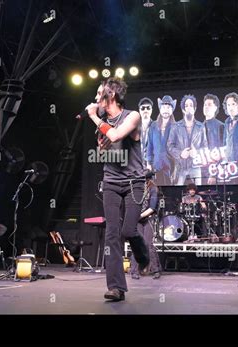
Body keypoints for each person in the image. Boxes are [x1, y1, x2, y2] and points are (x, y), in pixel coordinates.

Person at [86, 77, 150, 301]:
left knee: (128, 231)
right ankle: (116, 288)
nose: (95, 99)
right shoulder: (101, 121)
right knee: (112, 234)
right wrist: (101, 145)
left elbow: (115, 135)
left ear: (110, 95)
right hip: (111, 181)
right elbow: (103, 149)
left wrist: (93, 116)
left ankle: (144, 258)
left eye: (98, 94)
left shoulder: (132, 116)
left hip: (134, 182)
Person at [168, 94, 207, 185]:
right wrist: (180, 153)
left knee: (198, 191)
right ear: (183, 109)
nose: (189, 107)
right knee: (178, 192)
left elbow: (205, 147)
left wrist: (197, 153)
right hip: (180, 166)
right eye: (186, 105)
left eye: (191, 105)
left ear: (195, 108)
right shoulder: (175, 126)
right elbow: (169, 146)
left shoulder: (201, 127)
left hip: (196, 166)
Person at [130, 179, 161, 280]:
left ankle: (155, 270)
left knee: (148, 244)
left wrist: (139, 216)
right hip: (138, 220)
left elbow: (152, 208)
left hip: (148, 219)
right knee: (137, 244)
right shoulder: (136, 189)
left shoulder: (153, 189)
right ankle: (134, 271)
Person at [146, 95, 176, 185]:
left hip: (170, 165)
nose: (166, 110)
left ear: (172, 110)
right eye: (163, 107)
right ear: (160, 108)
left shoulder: (176, 127)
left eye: (168, 107)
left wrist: (177, 168)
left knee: (169, 192)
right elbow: (150, 146)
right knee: (155, 192)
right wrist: (149, 162)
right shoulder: (153, 126)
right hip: (156, 164)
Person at [203, 94, 224, 185]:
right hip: (201, 172)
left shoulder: (220, 126)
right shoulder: (199, 127)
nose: (206, 107)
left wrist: (213, 173)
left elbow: (223, 151)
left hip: (215, 172)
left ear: (215, 108)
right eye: (205, 105)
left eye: (209, 104)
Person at [138, 97, 154, 168]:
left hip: (152, 165)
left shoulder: (156, 127)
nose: (145, 110)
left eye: (148, 108)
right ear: (139, 110)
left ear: (151, 110)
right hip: (138, 165)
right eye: (143, 108)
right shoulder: (134, 128)